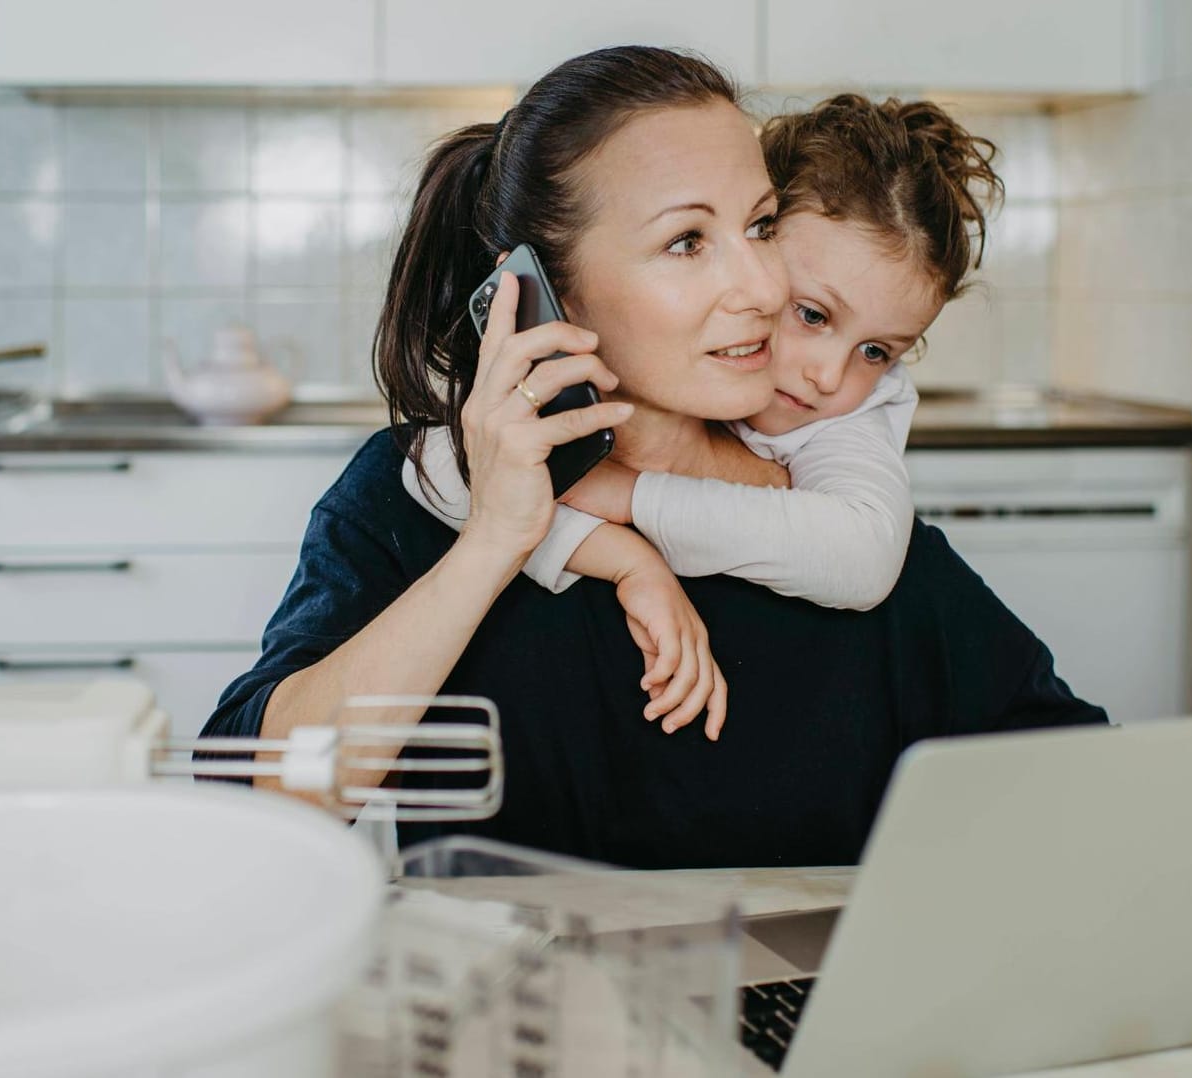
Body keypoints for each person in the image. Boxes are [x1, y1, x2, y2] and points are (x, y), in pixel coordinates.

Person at [202, 46, 1107, 869]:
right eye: (685, 241)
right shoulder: (420, 496)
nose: (760, 287)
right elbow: (260, 800)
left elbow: (1074, 787)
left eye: (759, 227)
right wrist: (496, 543)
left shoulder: (846, 521)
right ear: (540, 286)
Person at [399, 94, 1003, 742]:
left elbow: (859, 557)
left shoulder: (848, 422)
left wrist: (629, 496)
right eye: (811, 315)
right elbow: (445, 466)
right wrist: (625, 559)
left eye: (876, 351)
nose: (828, 377)